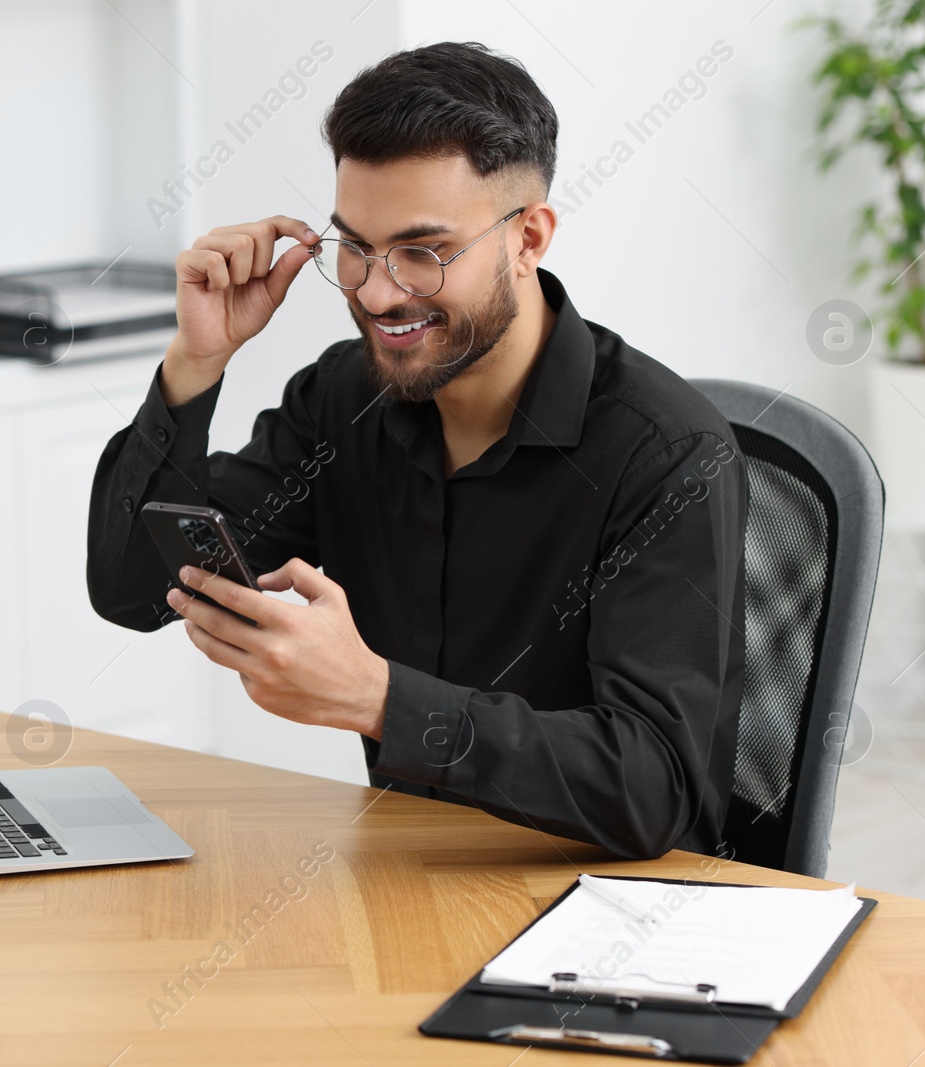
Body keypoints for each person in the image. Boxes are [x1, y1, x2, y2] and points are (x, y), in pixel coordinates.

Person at [86, 41, 746, 860]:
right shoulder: (346, 398)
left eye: (423, 253)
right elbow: (131, 588)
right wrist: (196, 364)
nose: (377, 292)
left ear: (528, 238)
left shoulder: (666, 455)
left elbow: (658, 791)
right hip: (409, 879)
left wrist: (382, 701)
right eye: (354, 248)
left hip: (610, 914)